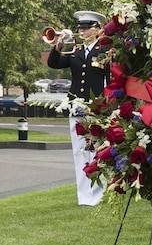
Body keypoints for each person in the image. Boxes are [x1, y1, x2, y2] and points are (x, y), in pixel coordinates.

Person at [46, 10, 109, 206]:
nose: (81, 31)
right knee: (79, 152)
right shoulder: (76, 52)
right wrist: (59, 43)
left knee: (97, 151)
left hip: (95, 107)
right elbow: (54, 63)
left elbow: (110, 77)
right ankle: (84, 196)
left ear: (97, 29)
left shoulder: (105, 51)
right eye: (80, 28)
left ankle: (98, 194)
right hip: (75, 106)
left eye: (86, 28)